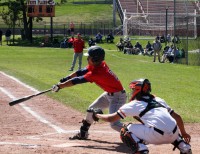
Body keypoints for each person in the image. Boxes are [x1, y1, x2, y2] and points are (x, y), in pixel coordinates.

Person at [95, 78, 192, 154]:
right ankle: (184, 147)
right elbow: (178, 117)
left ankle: (142, 150)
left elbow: (111, 118)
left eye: (133, 89)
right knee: (169, 125)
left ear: (137, 90)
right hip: (175, 135)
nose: (132, 91)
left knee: (126, 130)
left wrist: (97, 115)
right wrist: (183, 133)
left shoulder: (135, 104)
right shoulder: (158, 100)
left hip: (156, 136)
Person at [52, 46, 127, 140]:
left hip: (118, 97)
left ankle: (137, 134)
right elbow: (81, 71)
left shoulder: (97, 73)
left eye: (89, 57)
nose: (87, 58)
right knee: (91, 110)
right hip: (109, 94)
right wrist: (67, 77)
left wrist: (59, 86)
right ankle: (83, 133)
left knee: (114, 124)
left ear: (95, 59)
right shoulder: (100, 64)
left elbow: (77, 80)